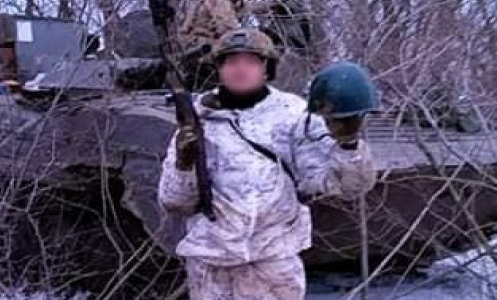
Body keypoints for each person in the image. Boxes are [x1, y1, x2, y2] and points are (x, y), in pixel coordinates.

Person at [158, 28, 377, 300]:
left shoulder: (293, 115)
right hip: (211, 265)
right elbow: (175, 202)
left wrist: (348, 145)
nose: (240, 69)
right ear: (219, 69)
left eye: (251, 61)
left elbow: (346, 186)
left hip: (273, 265)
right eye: (231, 61)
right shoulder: (196, 119)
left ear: (266, 69)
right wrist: (183, 165)